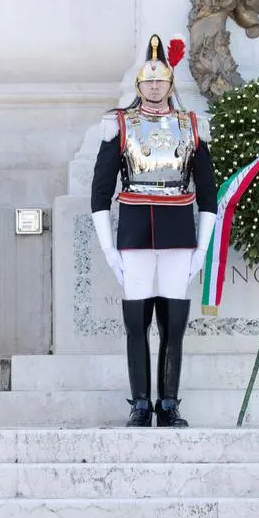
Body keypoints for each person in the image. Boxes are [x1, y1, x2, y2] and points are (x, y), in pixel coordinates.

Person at [91, 34, 217, 427]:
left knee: (174, 323)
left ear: (170, 83)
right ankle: (140, 404)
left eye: (160, 80)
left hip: (178, 233)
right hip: (134, 235)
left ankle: (169, 404)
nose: (155, 86)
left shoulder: (191, 126)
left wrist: (202, 247)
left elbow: (208, 195)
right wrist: (109, 249)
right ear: (139, 86)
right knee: (136, 323)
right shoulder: (120, 126)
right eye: (148, 81)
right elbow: (100, 193)